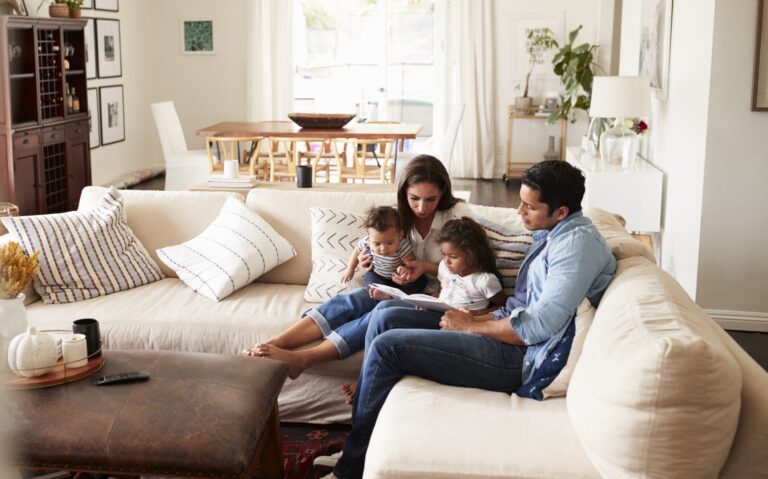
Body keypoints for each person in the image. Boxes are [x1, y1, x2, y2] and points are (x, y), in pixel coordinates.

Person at [328, 160, 618, 479]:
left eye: (529, 207)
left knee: (387, 348)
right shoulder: (554, 232)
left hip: (520, 358)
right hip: (504, 330)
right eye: (520, 201)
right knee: (385, 314)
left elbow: (538, 326)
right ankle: (361, 445)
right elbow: (523, 308)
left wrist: (471, 325)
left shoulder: (575, 247)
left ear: (561, 211)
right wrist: (478, 314)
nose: (519, 211)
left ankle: (350, 469)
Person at [243, 155, 473, 380]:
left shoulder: (458, 217)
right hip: (399, 289)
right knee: (358, 297)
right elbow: (374, 251)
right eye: (414, 198)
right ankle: (273, 343)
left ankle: (303, 359)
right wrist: (366, 261)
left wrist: (425, 267)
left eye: (431, 199)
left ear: (443, 192)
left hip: (438, 300)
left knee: (380, 312)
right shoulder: (395, 218)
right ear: (404, 192)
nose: (422, 207)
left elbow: (473, 266)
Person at [343, 205, 426, 295]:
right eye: (377, 244)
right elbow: (356, 252)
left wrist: (406, 270)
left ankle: (397, 296)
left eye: (390, 243)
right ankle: (381, 295)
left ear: (400, 235)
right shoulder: (367, 242)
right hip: (378, 276)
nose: (383, 249)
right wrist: (350, 269)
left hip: (398, 279)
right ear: (369, 236)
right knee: (369, 278)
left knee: (421, 281)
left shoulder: (402, 245)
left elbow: (411, 262)